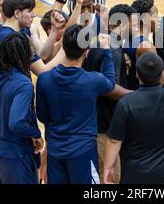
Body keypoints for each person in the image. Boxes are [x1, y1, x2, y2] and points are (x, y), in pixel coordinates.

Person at [104, 28, 164, 184]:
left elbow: (114, 141)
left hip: (136, 177)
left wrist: (108, 167)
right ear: (162, 73)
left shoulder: (126, 103)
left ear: (137, 74)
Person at [36, 25, 115, 184]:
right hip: (83, 151)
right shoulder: (93, 80)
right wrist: (107, 51)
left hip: (55, 150)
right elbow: (110, 83)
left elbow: (42, 116)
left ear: (63, 47)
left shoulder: (44, 80)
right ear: (86, 52)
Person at [83, 4, 135, 183]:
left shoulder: (99, 41)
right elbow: (109, 87)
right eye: (134, 25)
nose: (135, 30)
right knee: (110, 179)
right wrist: (138, 96)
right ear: (124, 24)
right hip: (104, 126)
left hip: (93, 118)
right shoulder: (113, 51)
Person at [0, 33, 43, 184]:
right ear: (23, 52)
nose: (33, 50)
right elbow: (16, 122)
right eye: (30, 46)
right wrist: (36, 133)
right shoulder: (24, 84)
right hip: (14, 154)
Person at [0, 0, 65, 77]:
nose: (33, 15)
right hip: (17, 89)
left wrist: (54, 29)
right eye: (29, 11)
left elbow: (43, 55)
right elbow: (43, 72)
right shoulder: (18, 40)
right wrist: (65, 48)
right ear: (17, 13)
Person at [126, 0, 164, 90]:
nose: (160, 19)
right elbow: (162, 81)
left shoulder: (128, 39)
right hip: (141, 98)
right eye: (156, 15)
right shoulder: (146, 46)